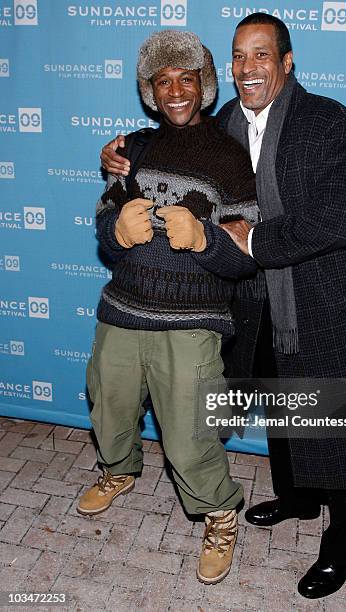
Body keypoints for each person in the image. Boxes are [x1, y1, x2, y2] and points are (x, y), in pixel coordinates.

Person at [100, 15, 346, 599]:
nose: (248, 67)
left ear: (286, 61)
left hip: (321, 295)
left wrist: (250, 240)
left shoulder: (328, 120)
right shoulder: (225, 122)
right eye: (238, 56)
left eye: (261, 55)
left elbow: (337, 220)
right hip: (252, 299)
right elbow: (174, 147)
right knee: (278, 397)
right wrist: (119, 154)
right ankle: (298, 499)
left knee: (337, 417)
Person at [78, 29, 261, 586]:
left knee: (188, 435)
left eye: (186, 79)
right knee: (108, 406)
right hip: (122, 310)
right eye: (163, 81)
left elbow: (246, 257)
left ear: (203, 86)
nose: (175, 90)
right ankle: (119, 470)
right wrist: (117, 231)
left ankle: (220, 513)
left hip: (191, 324)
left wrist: (206, 239)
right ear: (150, 90)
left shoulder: (230, 159)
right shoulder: (131, 149)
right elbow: (104, 223)